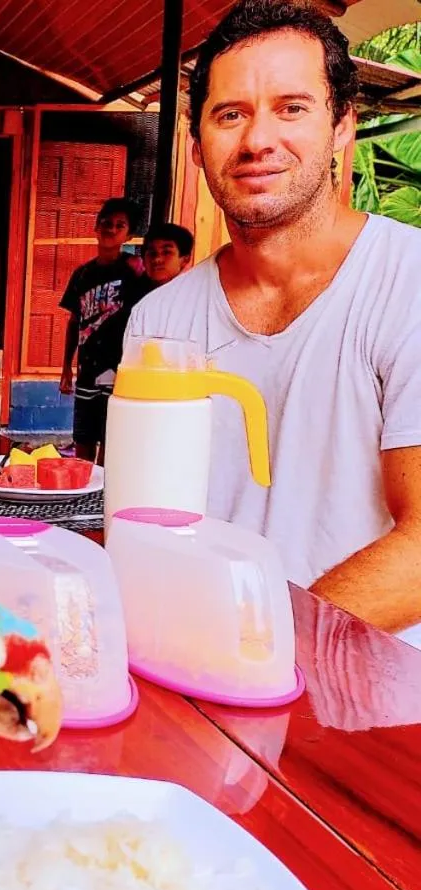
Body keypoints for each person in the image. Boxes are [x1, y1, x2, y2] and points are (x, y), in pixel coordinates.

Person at [125, 0, 421, 645]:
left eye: (292, 108)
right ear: (197, 143)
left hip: (372, 702)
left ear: (342, 125)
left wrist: (262, 646)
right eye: (230, 115)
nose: (258, 140)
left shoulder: (409, 286)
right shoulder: (159, 319)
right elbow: (146, 522)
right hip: (195, 668)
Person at [58, 197, 144, 462]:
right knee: (83, 438)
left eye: (119, 225)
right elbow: (74, 321)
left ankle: (104, 497)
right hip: (88, 369)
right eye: (106, 223)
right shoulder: (82, 275)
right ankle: (84, 497)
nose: (111, 229)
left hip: (120, 368)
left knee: (111, 439)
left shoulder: (135, 271)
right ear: (96, 227)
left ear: (128, 234)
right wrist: (66, 369)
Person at [134, 222, 195, 295]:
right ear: (143, 259)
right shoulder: (127, 292)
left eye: (166, 252)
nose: (157, 259)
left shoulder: (193, 296)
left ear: (185, 259)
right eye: (152, 253)